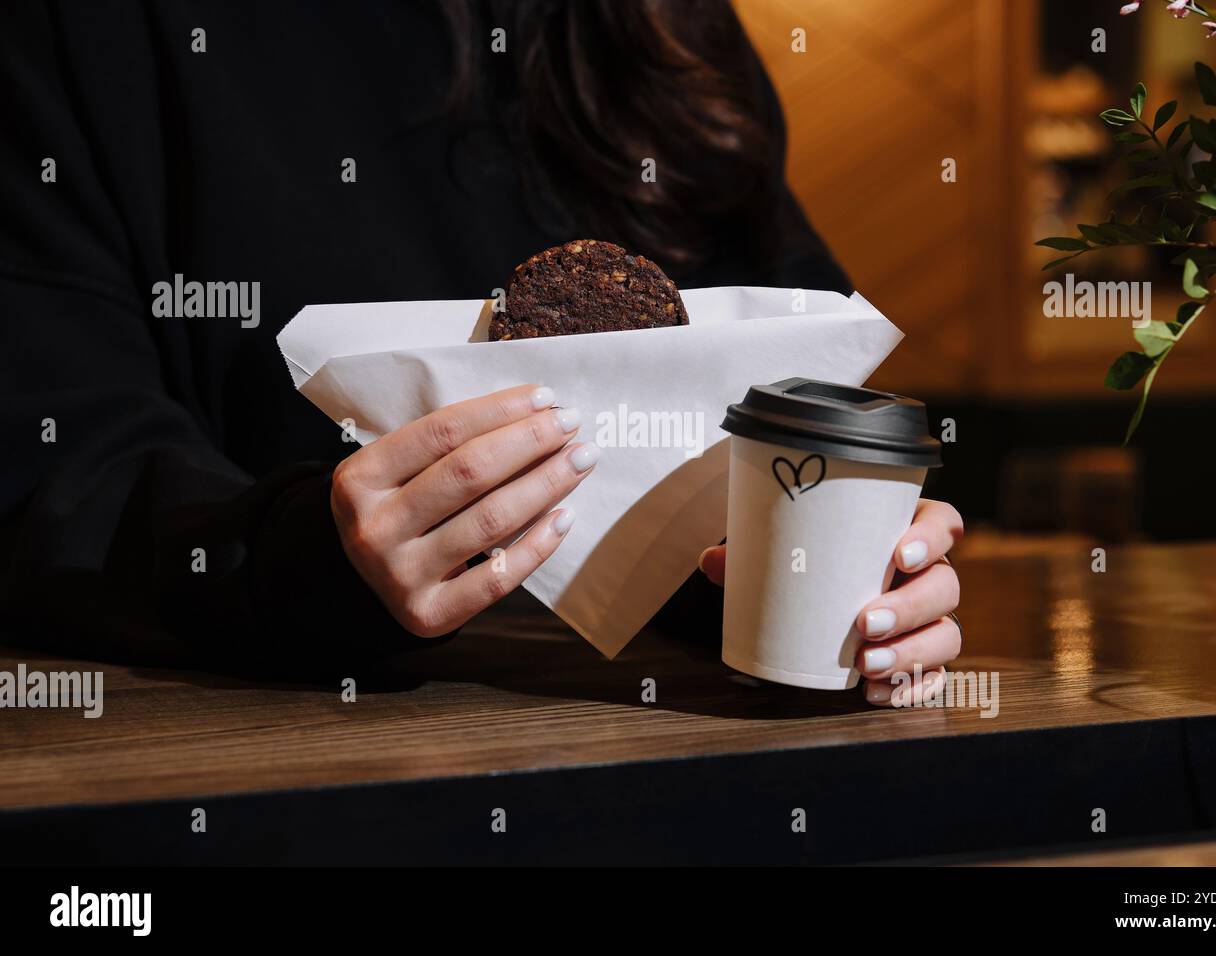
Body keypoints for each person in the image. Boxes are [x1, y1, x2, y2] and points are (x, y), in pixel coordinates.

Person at [0, 0, 962, 703]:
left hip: (666, 750)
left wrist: (847, 562)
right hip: (254, 766)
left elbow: (791, 382)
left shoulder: (659, 33)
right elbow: (54, 463)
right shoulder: (94, 38)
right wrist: (294, 560)